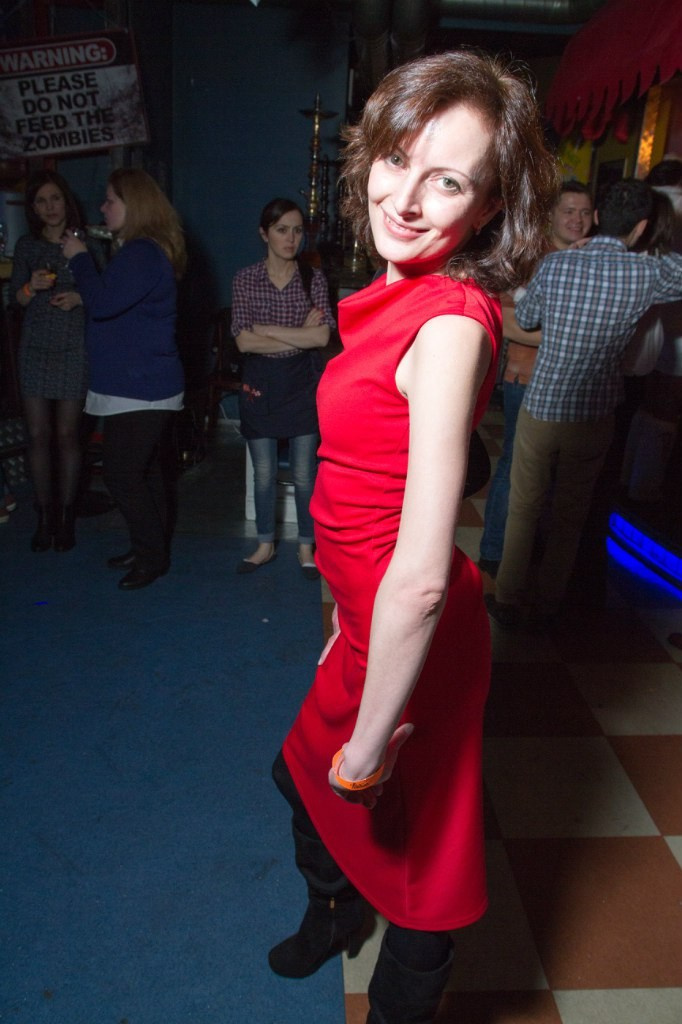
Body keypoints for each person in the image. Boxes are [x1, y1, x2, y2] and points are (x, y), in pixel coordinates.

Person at [268, 51, 558, 1023]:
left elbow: (423, 576)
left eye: (448, 180)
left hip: (414, 631)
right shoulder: (401, 293)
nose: (405, 196)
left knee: (424, 867)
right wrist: (343, 627)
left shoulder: (447, 325)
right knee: (298, 776)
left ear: (488, 206)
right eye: (397, 159)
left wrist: (365, 746)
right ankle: (335, 909)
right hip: (367, 615)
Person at [486, 178, 682, 632]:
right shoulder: (646, 273)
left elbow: (526, 317)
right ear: (640, 228)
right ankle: (549, 603)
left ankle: (509, 597)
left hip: (542, 405)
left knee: (524, 508)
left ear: (595, 218)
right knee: (570, 515)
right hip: (595, 413)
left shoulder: (557, 265)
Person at [61, 168, 186, 590]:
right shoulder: (144, 251)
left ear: (134, 205)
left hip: (140, 388)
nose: (102, 207)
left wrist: (79, 256)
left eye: (110, 200)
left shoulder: (141, 253)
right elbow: (118, 302)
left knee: (122, 475)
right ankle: (150, 550)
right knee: (145, 473)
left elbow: (102, 303)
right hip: (142, 384)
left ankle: (151, 558)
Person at [478, 181, 593, 577]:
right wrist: (576, 335)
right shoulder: (531, 259)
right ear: (551, 216)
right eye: (568, 211)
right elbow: (508, 324)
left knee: (560, 476)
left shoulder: (594, 260)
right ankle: (494, 552)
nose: (576, 220)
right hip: (526, 379)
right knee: (516, 467)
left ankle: (530, 556)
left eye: (584, 212)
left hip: (577, 385)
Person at [231, 198, 334, 577]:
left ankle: (306, 545)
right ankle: (264, 544)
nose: (291, 239)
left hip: (300, 385)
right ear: (264, 234)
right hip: (260, 385)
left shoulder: (312, 279)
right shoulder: (245, 279)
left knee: (305, 474)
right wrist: (298, 334)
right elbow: (243, 342)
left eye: (297, 231)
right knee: (263, 473)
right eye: (281, 230)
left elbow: (321, 337)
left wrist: (269, 330)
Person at [11, 170, 103, 552]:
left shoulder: (85, 244)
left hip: (73, 347)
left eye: (55, 198)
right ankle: (44, 516)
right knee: (37, 435)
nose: (50, 207)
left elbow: (102, 295)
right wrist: (31, 286)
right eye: (41, 201)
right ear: (33, 209)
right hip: (35, 347)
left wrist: (79, 298)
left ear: (67, 201)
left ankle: (66, 517)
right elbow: (15, 299)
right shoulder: (27, 246)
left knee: (67, 434)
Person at [621, 159, 682, 503]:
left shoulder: (645, 204)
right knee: (661, 408)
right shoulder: (669, 207)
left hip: (639, 336)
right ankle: (643, 489)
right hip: (665, 334)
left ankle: (629, 481)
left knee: (639, 408)